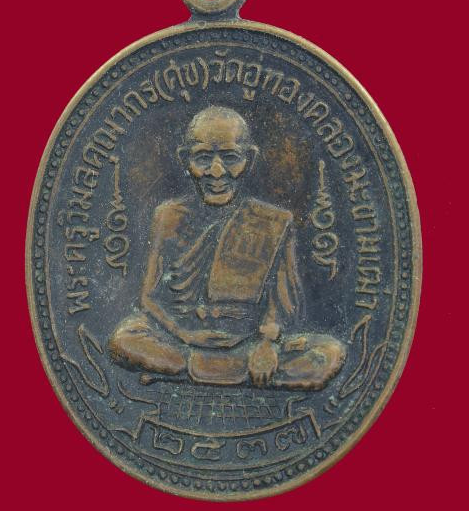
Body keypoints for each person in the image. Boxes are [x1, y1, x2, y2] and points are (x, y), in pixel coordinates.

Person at [109, 106, 345, 388]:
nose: (217, 172)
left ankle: (189, 370)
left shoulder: (274, 221)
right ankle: (231, 373)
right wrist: (185, 335)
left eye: (230, 158)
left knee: (329, 353)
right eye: (203, 158)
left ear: (249, 159)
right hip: (180, 338)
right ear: (185, 159)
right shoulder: (168, 216)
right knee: (123, 340)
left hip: (246, 341)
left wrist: (267, 345)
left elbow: (283, 306)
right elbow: (149, 298)